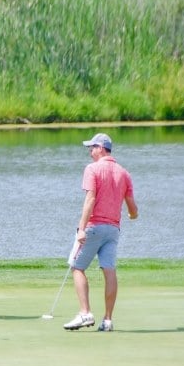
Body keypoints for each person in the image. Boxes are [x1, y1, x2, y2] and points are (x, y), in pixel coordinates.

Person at [63, 133, 138, 332]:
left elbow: (90, 200)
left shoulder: (92, 169)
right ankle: (107, 320)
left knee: (77, 267)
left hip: (94, 227)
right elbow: (133, 210)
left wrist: (81, 228)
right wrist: (131, 215)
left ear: (102, 149)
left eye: (92, 147)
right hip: (113, 230)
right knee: (109, 270)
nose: (90, 151)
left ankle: (85, 313)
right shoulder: (124, 173)